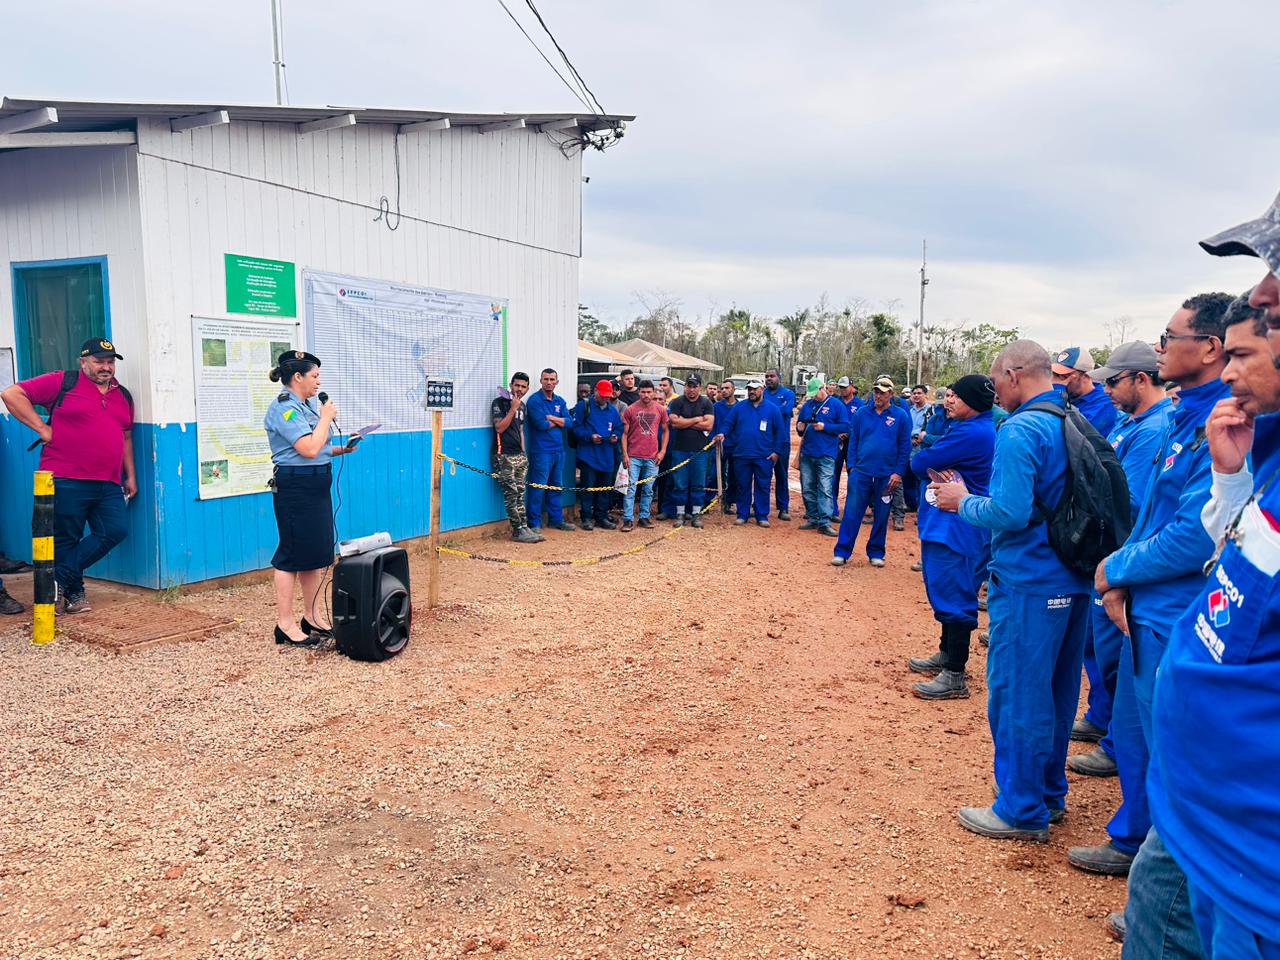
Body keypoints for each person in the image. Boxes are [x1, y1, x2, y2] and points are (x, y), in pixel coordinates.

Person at [1140, 202, 1280, 958]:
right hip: (1207, 817)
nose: (1259, 295)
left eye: (1275, 298)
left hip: (1258, 865)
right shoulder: (1265, 449)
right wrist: (1232, 483)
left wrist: (1117, 571)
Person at [1073, 293, 1231, 886]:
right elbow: (1149, 520)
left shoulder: (1223, 423)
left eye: (1170, 338)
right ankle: (1135, 844)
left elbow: (1195, 534)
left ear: (1209, 348)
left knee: (1173, 756)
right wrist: (1120, 575)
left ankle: (1166, 896)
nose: (1162, 348)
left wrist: (1116, 571)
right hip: (1146, 605)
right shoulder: (1184, 418)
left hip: (1178, 613)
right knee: (1139, 741)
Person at [932, 341, 1090, 841]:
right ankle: (1048, 793)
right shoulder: (1071, 418)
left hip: (1029, 582)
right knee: (1059, 692)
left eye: (997, 380)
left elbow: (1010, 512)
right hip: (1073, 577)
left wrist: (963, 501)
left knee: (1018, 694)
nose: (994, 390)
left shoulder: (1022, 429)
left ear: (1015, 374)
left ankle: (1021, 809)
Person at [1068, 342, 1172, 779]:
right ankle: (1103, 719)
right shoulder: (1132, 423)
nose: (1106, 388)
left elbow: (1128, 499)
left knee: (1117, 653)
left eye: (1113, 381)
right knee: (1099, 647)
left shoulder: (1154, 428)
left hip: (1123, 553)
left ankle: (1115, 743)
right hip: (1111, 551)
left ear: (1141, 380)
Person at [2, 338, 137, 615]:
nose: (106, 367)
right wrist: (42, 428)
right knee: (66, 538)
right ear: (83, 361)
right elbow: (11, 394)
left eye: (110, 362)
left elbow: (125, 437)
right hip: (66, 477)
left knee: (115, 530)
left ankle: (56, 579)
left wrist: (130, 475)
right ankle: (74, 594)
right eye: (99, 361)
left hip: (109, 481)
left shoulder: (122, 395)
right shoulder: (63, 382)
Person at [259, 350, 358, 646]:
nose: (318, 382)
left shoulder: (307, 407)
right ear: (297, 377)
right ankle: (285, 624)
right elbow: (308, 449)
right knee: (291, 556)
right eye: (314, 376)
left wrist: (343, 448)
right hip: (296, 488)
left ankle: (312, 617)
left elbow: (319, 447)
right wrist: (327, 417)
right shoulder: (284, 408)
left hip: (316, 485)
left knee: (314, 555)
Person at [906, 375, 997, 698]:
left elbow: (920, 462)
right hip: (951, 524)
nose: (948, 400)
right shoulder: (964, 427)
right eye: (949, 395)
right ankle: (947, 653)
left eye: (956, 396)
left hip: (958, 527)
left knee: (956, 595)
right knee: (947, 589)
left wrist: (929, 458)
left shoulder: (973, 432)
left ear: (973, 401)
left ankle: (954, 674)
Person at [831, 375, 911, 568]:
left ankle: (876, 552)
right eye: (876, 391)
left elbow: (904, 446)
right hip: (862, 473)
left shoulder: (900, 416)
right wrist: (852, 467)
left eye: (883, 392)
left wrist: (898, 473)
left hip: (887, 476)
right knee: (852, 512)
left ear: (891, 394)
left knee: (882, 515)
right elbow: (854, 441)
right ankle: (842, 551)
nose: (878, 395)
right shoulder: (861, 414)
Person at [716, 379, 785, 526]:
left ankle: (762, 515)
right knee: (743, 485)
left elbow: (780, 432)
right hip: (742, 454)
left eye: (755, 389)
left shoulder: (773, 409)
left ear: (762, 389)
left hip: (764, 455)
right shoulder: (739, 407)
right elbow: (728, 423)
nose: (751, 392)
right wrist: (723, 433)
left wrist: (776, 452)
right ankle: (743, 514)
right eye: (749, 389)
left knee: (763, 486)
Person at [490, 373, 542, 544]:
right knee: (511, 494)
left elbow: (520, 430)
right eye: (517, 385)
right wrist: (512, 408)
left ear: (527, 389)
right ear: (511, 385)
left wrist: (523, 453)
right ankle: (517, 530)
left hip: (519, 456)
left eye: (523, 386)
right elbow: (499, 428)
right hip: (503, 455)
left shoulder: (523, 406)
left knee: (520, 493)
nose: (519, 389)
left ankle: (524, 526)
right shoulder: (499, 403)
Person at [524, 368, 575, 533]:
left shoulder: (560, 401)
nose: (549, 382)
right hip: (541, 451)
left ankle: (556, 520)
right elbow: (541, 425)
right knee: (538, 488)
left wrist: (552, 418)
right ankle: (534, 523)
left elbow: (569, 422)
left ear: (557, 382)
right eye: (546, 379)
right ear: (540, 381)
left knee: (556, 487)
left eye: (552, 379)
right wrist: (559, 421)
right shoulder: (534, 401)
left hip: (558, 451)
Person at [795, 377, 847, 536]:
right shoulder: (808, 406)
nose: (813, 397)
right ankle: (813, 517)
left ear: (822, 388)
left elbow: (845, 427)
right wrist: (800, 426)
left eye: (815, 393)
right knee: (808, 486)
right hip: (807, 453)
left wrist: (825, 427)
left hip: (826, 453)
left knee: (825, 488)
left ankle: (825, 521)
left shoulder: (836, 405)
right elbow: (800, 429)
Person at [572, 379, 623, 531]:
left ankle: (601, 516)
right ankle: (586, 517)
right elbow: (576, 428)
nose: (606, 399)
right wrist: (589, 436)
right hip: (589, 455)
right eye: (603, 396)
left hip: (606, 455)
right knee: (588, 488)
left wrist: (615, 435)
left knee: (604, 488)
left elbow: (619, 428)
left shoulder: (612, 410)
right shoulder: (584, 406)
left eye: (608, 396)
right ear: (595, 392)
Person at [667, 374, 715, 527]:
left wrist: (684, 422)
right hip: (680, 450)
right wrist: (695, 419)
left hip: (700, 451)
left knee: (698, 484)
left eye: (695, 386)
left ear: (699, 387)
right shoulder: (677, 402)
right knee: (679, 484)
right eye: (689, 385)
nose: (691, 389)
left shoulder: (706, 403)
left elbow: (708, 425)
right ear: (685, 387)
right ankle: (680, 514)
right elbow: (674, 423)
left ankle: (696, 514)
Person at [620, 380, 668, 532]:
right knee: (630, 489)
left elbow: (666, 430)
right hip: (633, 456)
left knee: (648, 489)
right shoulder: (630, 409)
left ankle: (644, 517)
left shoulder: (660, 409)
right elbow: (624, 434)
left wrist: (663, 451)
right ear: (638, 392)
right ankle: (628, 519)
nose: (646, 395)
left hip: (652, 457)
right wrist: (625, 454)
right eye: (643, 392)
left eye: (649, 392)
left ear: (654, 392)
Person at [1052, 346, 1118, 437]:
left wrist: (1058, 393)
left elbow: (1072, 436)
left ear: (1086, 376)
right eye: (1055, 375)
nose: (1057, 381)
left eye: (1064, 376)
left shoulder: (1105, 403)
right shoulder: (1069, 396)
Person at [762, 369, 797, 521]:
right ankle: (759, 506)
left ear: (779, 378)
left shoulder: (789, 394)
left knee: (781, 475)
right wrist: (778, 408)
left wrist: (768, 409)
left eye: (772, 376)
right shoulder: (762, 393)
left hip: (782, 441)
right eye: (767, 377)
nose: (769, 379)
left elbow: (787, 410)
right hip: (764, 441)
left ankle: (783, 508)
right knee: (762, 475)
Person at [714, 378, 740, 513]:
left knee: (733, 475)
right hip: (719, 446)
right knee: (716, 474)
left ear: (733, 390)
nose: (724, 390)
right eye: (722, 388)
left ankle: (729, 502)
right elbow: (713, 425)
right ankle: (711, 499)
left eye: (727, 388)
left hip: (736, 446)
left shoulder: (740, 406)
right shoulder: (717, 407)